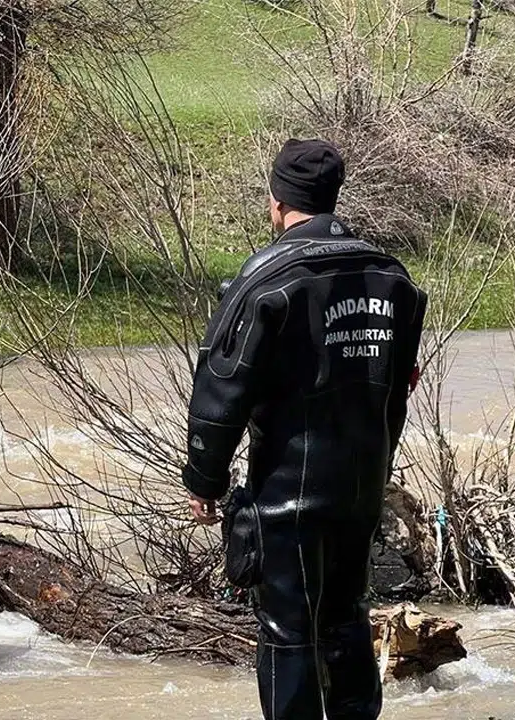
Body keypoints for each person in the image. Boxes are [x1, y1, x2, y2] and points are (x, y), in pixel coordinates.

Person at [183, 139, 427, 720]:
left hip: (287, 498)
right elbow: (402, 383)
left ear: (277, 201)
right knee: (346, 615)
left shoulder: (267, 279)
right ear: (333, 196)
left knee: (287, 628)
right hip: (362, 487)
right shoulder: (392, 278)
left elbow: (222, 388)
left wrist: (204, 480)